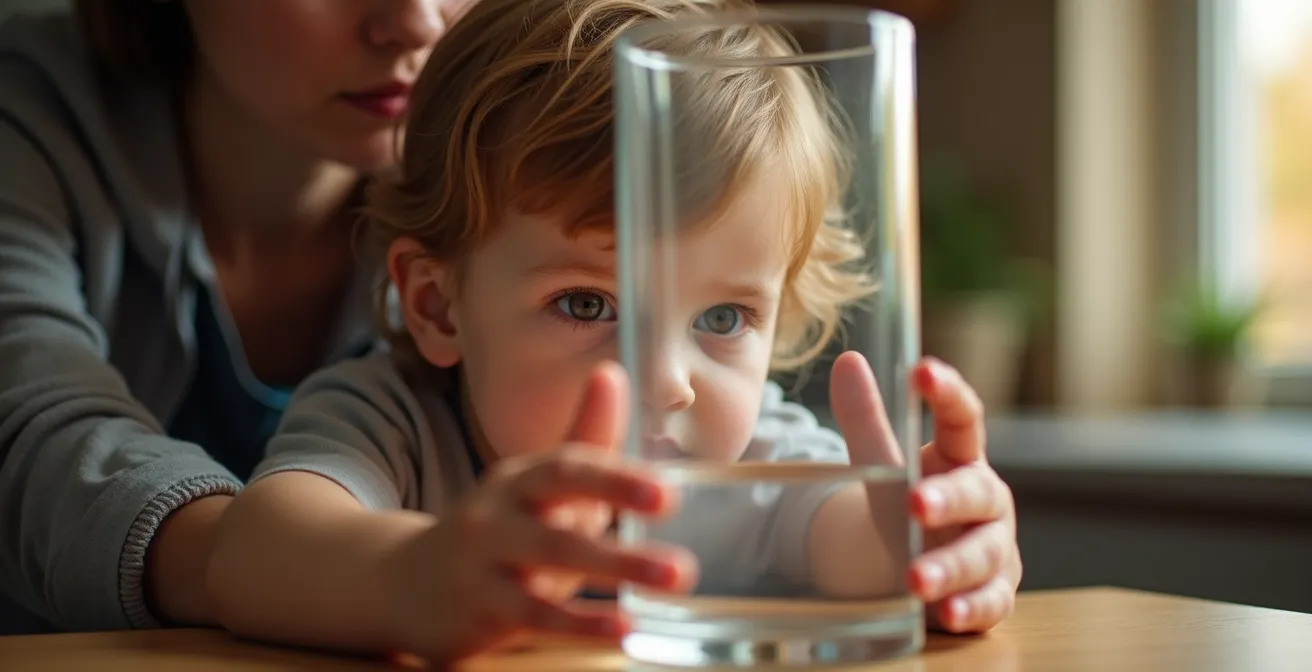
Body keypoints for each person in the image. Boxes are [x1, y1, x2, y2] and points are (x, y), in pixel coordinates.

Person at [205, 0, 1023, 664]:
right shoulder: (393, 423)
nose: (668, 384)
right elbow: (251, 555)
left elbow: (849, 541)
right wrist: (412, 575)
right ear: (437, 306)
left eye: (722, 319)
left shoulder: (752, 461)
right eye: (586, 305)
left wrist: (922, 542)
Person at [0, 0, 474, 633]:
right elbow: (24, 439)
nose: (418, 24)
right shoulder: (28, 117)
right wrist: (328, 572)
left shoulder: (522, 148)